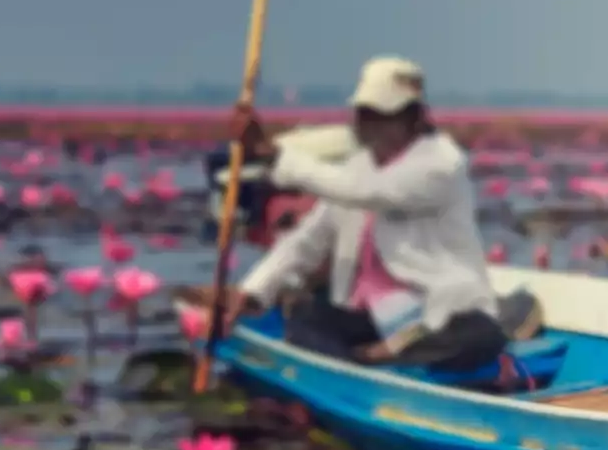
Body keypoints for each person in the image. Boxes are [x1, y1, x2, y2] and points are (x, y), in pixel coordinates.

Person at [200, 55, 507, 372]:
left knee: (481, 335)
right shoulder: (359, 166)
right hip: (378, 317)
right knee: (307, 315)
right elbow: (307, 240)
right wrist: (252, 291)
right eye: (364, 113)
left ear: (415, 118)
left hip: (437, 314)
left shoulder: (442, 165)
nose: (368, 124)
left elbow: (369, 192)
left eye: (381, 116)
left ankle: (394, 353)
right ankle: (353, 369)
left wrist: (272, 153)